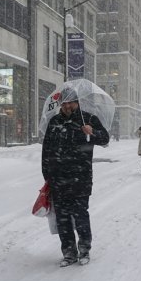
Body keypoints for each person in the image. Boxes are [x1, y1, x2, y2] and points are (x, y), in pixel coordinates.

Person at [41, 87, 110, 267]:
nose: (66, 106)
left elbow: (105, 139)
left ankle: (84, 249)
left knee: (80, 215)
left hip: (81, 178)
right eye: (63, 103)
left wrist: (92, 132)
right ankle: (69, 252)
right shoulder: (55, 121)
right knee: (62, 219)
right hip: (58, 179)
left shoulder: (88, 119)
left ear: (77, 103)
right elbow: (46, 149)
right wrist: (47, 174)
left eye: (70, 102)